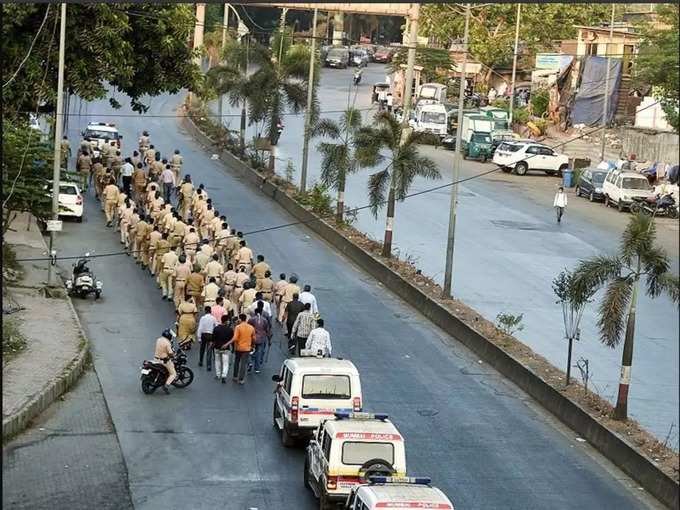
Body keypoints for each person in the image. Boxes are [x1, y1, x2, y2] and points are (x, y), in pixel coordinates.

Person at [225, 314, 256, 385]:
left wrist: (227, 344)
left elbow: (235, 338)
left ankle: (235, 376)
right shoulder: (251, 328)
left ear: (240, 319)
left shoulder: (238, 327)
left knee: (236, 362)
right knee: (243, 364)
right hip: (247, 348)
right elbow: (254, 338)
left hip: (238, 347)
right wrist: (253, 345)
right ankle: (241, 379)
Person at [248, 303, 272, 373]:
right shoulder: (264, 320)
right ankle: (257, 368)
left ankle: (250, 362)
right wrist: (269, 339)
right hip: (261, 338)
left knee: (250, 351)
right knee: (259, 352)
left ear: (255, 313)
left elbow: (248, 328)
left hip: (253, 338)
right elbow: (267, 330)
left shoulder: (251, 319)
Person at [212, 313, 234, 383]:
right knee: (225, 363)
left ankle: (218, 374)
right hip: (226, 348)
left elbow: (213, 339)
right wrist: (233, 348)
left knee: (217, 361)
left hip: (217, 347)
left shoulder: (216, 328)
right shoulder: (230, 330)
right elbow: (232, 340)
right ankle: (224, 375)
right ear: (226, 321)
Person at [154, 329, 176, 394]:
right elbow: (171, 353)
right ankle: (166, 385)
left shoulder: (159, 339)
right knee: (173, 374)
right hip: (164, 361)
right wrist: (173, 356)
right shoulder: (167, 343)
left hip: (156, 359)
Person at [197, 305, 218, 370]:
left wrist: (199, 337)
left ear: (205, 311)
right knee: (209, 351)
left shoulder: (203, 318)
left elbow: (200, 328)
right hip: (210, 335)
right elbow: (216, 326)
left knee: (202, 349)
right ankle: (208, 365)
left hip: (203, 335)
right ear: (210, 311)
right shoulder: (213, 318)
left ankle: (200, 361)